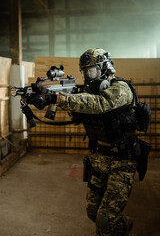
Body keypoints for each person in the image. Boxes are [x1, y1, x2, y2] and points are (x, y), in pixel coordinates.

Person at [27, 48, 138, 236]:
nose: (88, 76)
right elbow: (78, 116)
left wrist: (59, 98)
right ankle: (118, 228)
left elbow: (100, 104)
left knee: (105, 218)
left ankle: (120, 227)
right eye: (85, 72)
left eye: (92, 70)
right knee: (93, 212)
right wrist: (47, 98)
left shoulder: (121, 88)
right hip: (99, 159)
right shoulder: (88, 91)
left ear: (105, 68)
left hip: (122, 161)